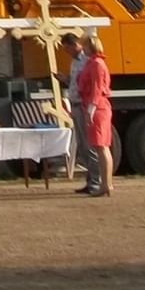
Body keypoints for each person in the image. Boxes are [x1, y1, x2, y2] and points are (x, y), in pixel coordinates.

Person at [77, 33, 115, 200]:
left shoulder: (97, 64)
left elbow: (97, 89)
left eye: (84, 46)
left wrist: (91, 109)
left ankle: (107, 184)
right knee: (100, 147)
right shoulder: (93, 63)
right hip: (95, 106)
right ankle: (105, 184)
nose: (82, 49)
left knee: (102, 147)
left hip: (98, 108)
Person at [60, 32, 88, 180]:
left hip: (83, 104)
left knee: (88, 144)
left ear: (74, 45)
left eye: (67, 49)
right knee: (82, 145)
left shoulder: (86, 60)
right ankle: (91, 178)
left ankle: (95, 180)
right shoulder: (74, 62)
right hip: (74, 103)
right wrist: (65, 79)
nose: (67, 53)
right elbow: (75, 82)